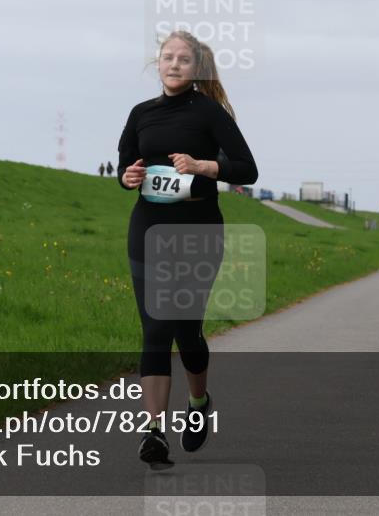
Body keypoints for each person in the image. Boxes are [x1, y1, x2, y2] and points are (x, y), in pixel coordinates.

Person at [117, 30, 257, 466]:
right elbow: (124, 163)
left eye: (182, 59)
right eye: (166, 57)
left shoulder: (210, 113)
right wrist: (128, 177)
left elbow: (248, 169)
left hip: (198, 230)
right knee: (156, 327)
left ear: (196, 69)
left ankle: (198, 404)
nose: (173, 64)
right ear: (157, 64)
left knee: (186, 331)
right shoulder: (141, 114)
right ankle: (154, 432)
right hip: (148, 228)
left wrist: (203, 166)